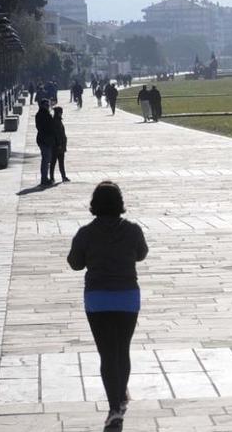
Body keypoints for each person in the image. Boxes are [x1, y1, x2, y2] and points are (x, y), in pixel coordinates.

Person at [67, 182, 148, 428]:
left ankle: (115, 405)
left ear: (95, 205)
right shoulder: (133, 230)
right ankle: (119, 400)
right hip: (126, 297)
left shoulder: (85, 233)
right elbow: (142, 254)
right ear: (119, 203)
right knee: (122, 350)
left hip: (98, 299)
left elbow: (75, 263)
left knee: (106, 353)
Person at [35, 99, 56, 186]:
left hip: (44, 139)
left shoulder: (44, 114)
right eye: (46, 105)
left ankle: (45, 178)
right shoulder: (43, 115)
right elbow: (44, 127)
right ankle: (44, 179)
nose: (48, 106)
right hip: (44, 140)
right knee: (45, 159)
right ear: (42, 105)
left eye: (48, 105)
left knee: (47, 159)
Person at [50, 107, 70, 182]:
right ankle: (52, 177)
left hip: (60, 145)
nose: (62, 113)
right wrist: (59, 144)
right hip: (57, 146)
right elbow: (56, 134)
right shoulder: (55, 121)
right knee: (54, 162)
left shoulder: (58, 120)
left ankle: (63, 176)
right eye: (61, 112)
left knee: (60, 162)